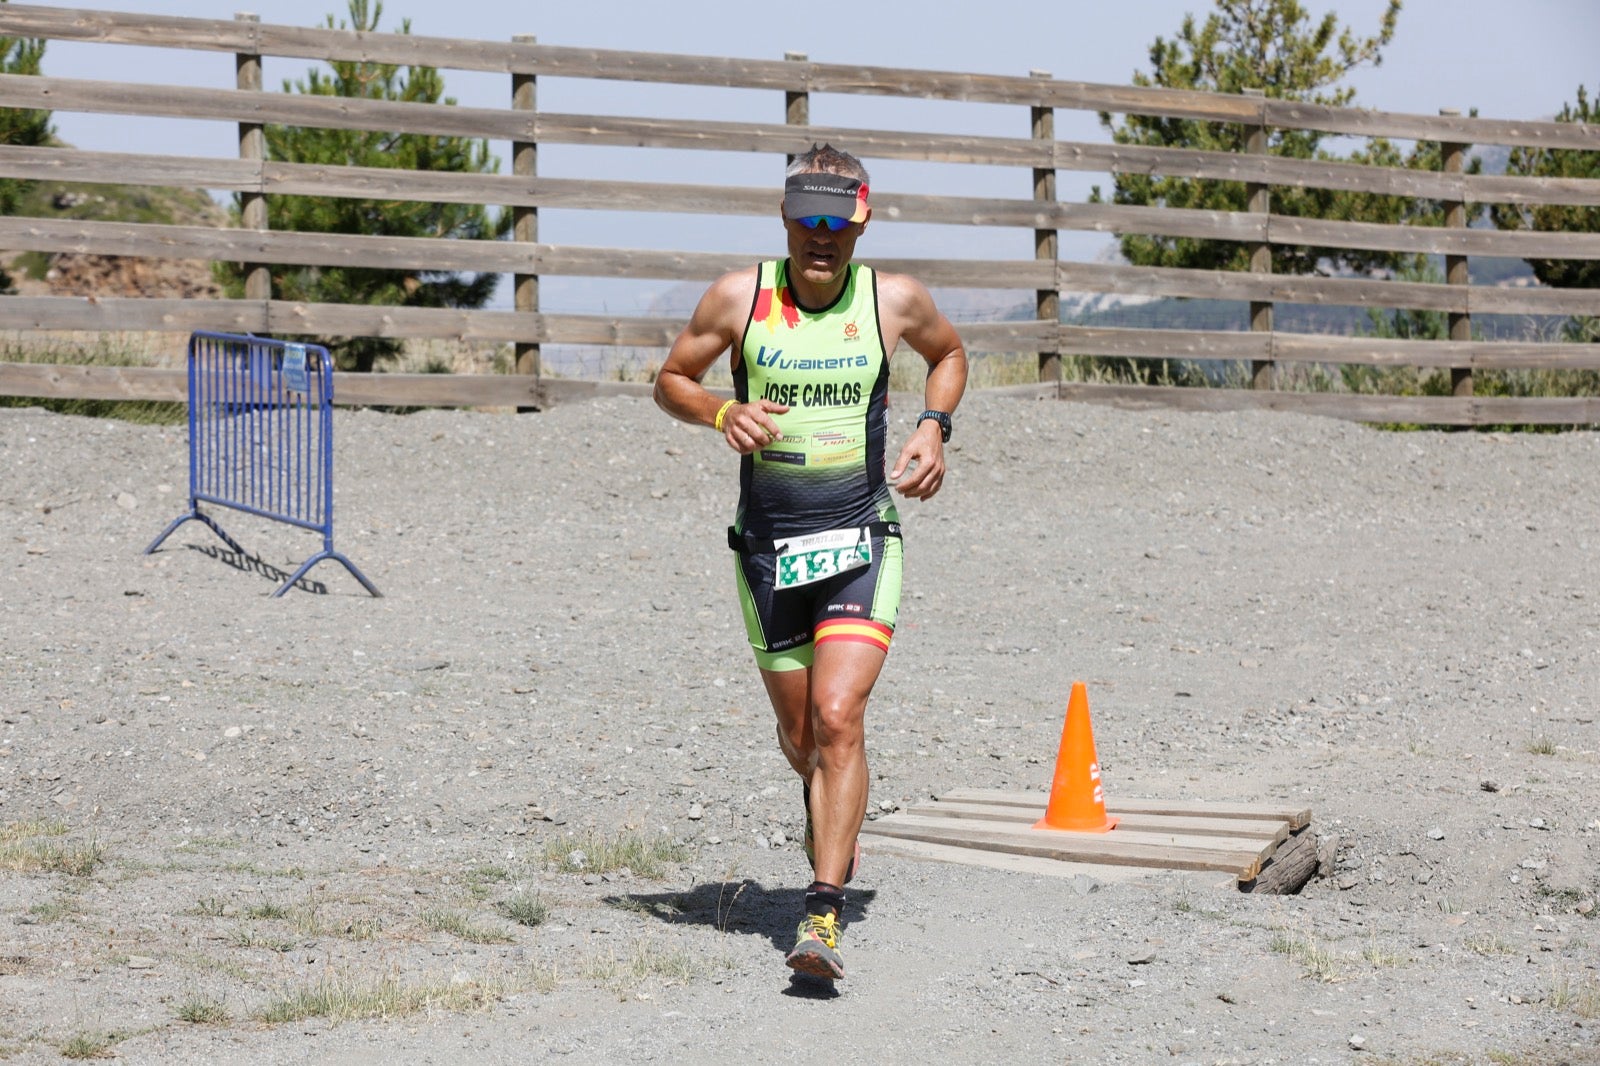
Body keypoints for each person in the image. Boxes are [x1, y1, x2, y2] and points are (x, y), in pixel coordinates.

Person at [653, 143, 967, 982]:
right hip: (766, 551)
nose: (822, 237)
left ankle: (820, 914)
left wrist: (936, 426)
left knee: (838, 718)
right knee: (802, 740)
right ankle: (828, 797)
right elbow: (670, 379)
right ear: (786, 218)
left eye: (839, 220)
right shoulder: (738, 297)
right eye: (808, 220)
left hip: (862, 535)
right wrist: (721, 412)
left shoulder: (892, 301)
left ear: (862, 219)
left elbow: (949, 354)